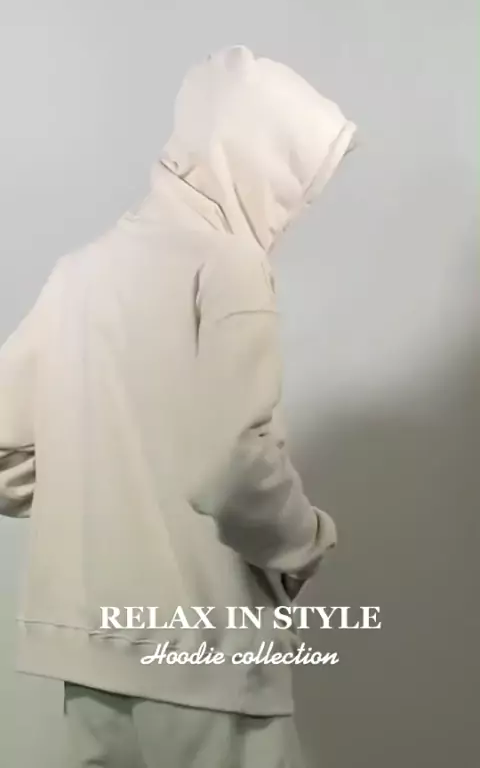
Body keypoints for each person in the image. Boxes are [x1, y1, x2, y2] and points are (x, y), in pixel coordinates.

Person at [0, 46, 356, 767]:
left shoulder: (79, 273)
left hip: (89, 657)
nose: (296, 207)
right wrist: (306, 543)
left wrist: (104, 502)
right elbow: (234, 466)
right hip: (208, 655)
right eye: (297, 181)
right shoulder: (228, 262)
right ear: (256, 161)